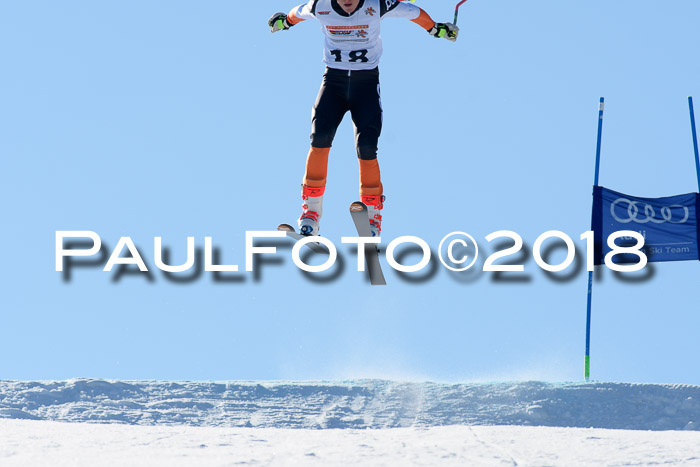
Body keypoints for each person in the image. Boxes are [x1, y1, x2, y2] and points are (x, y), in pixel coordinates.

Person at [269, 0, 458, 237]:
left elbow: (414, 12)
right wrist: (285, 22)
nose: (347, 2)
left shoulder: (378, 4)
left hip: (365, 85)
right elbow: (296, 13)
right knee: (319, 140)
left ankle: (372, 218)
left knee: (367, 148)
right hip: (333, 84)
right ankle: (311, 213)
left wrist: (435, 28)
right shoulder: (320, 6)